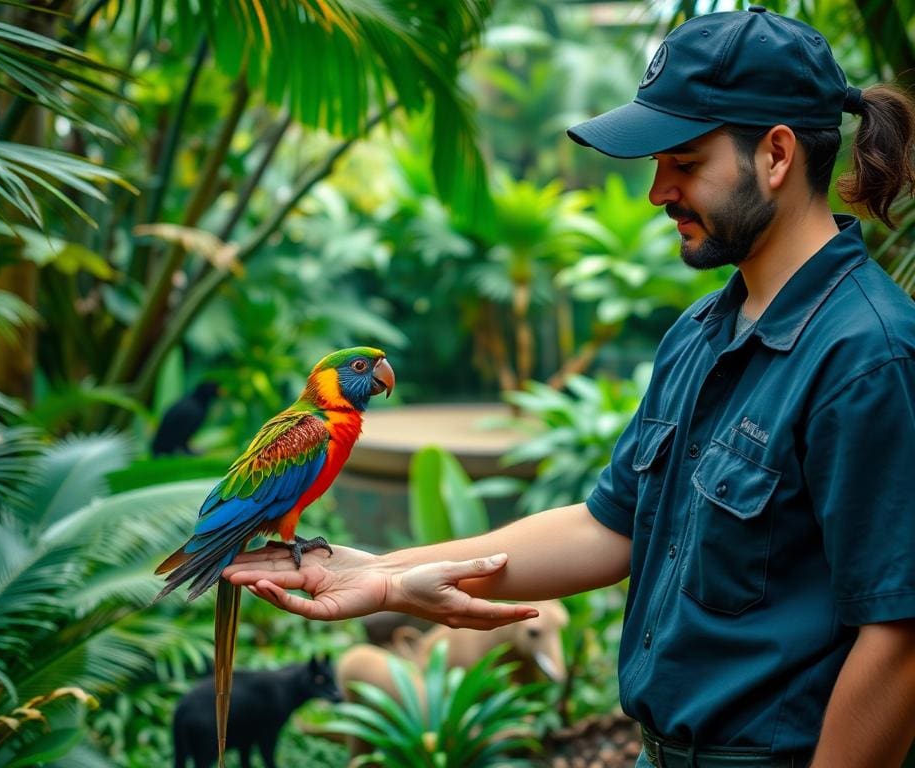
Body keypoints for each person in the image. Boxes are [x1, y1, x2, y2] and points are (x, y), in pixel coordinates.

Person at [223, 8, 915, 767]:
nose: (658, 191)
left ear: (776, 154)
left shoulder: (866, 358)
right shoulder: (701, 333)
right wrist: (382, 576)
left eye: (683, 162)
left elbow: (899, 641)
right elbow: (608, 527)